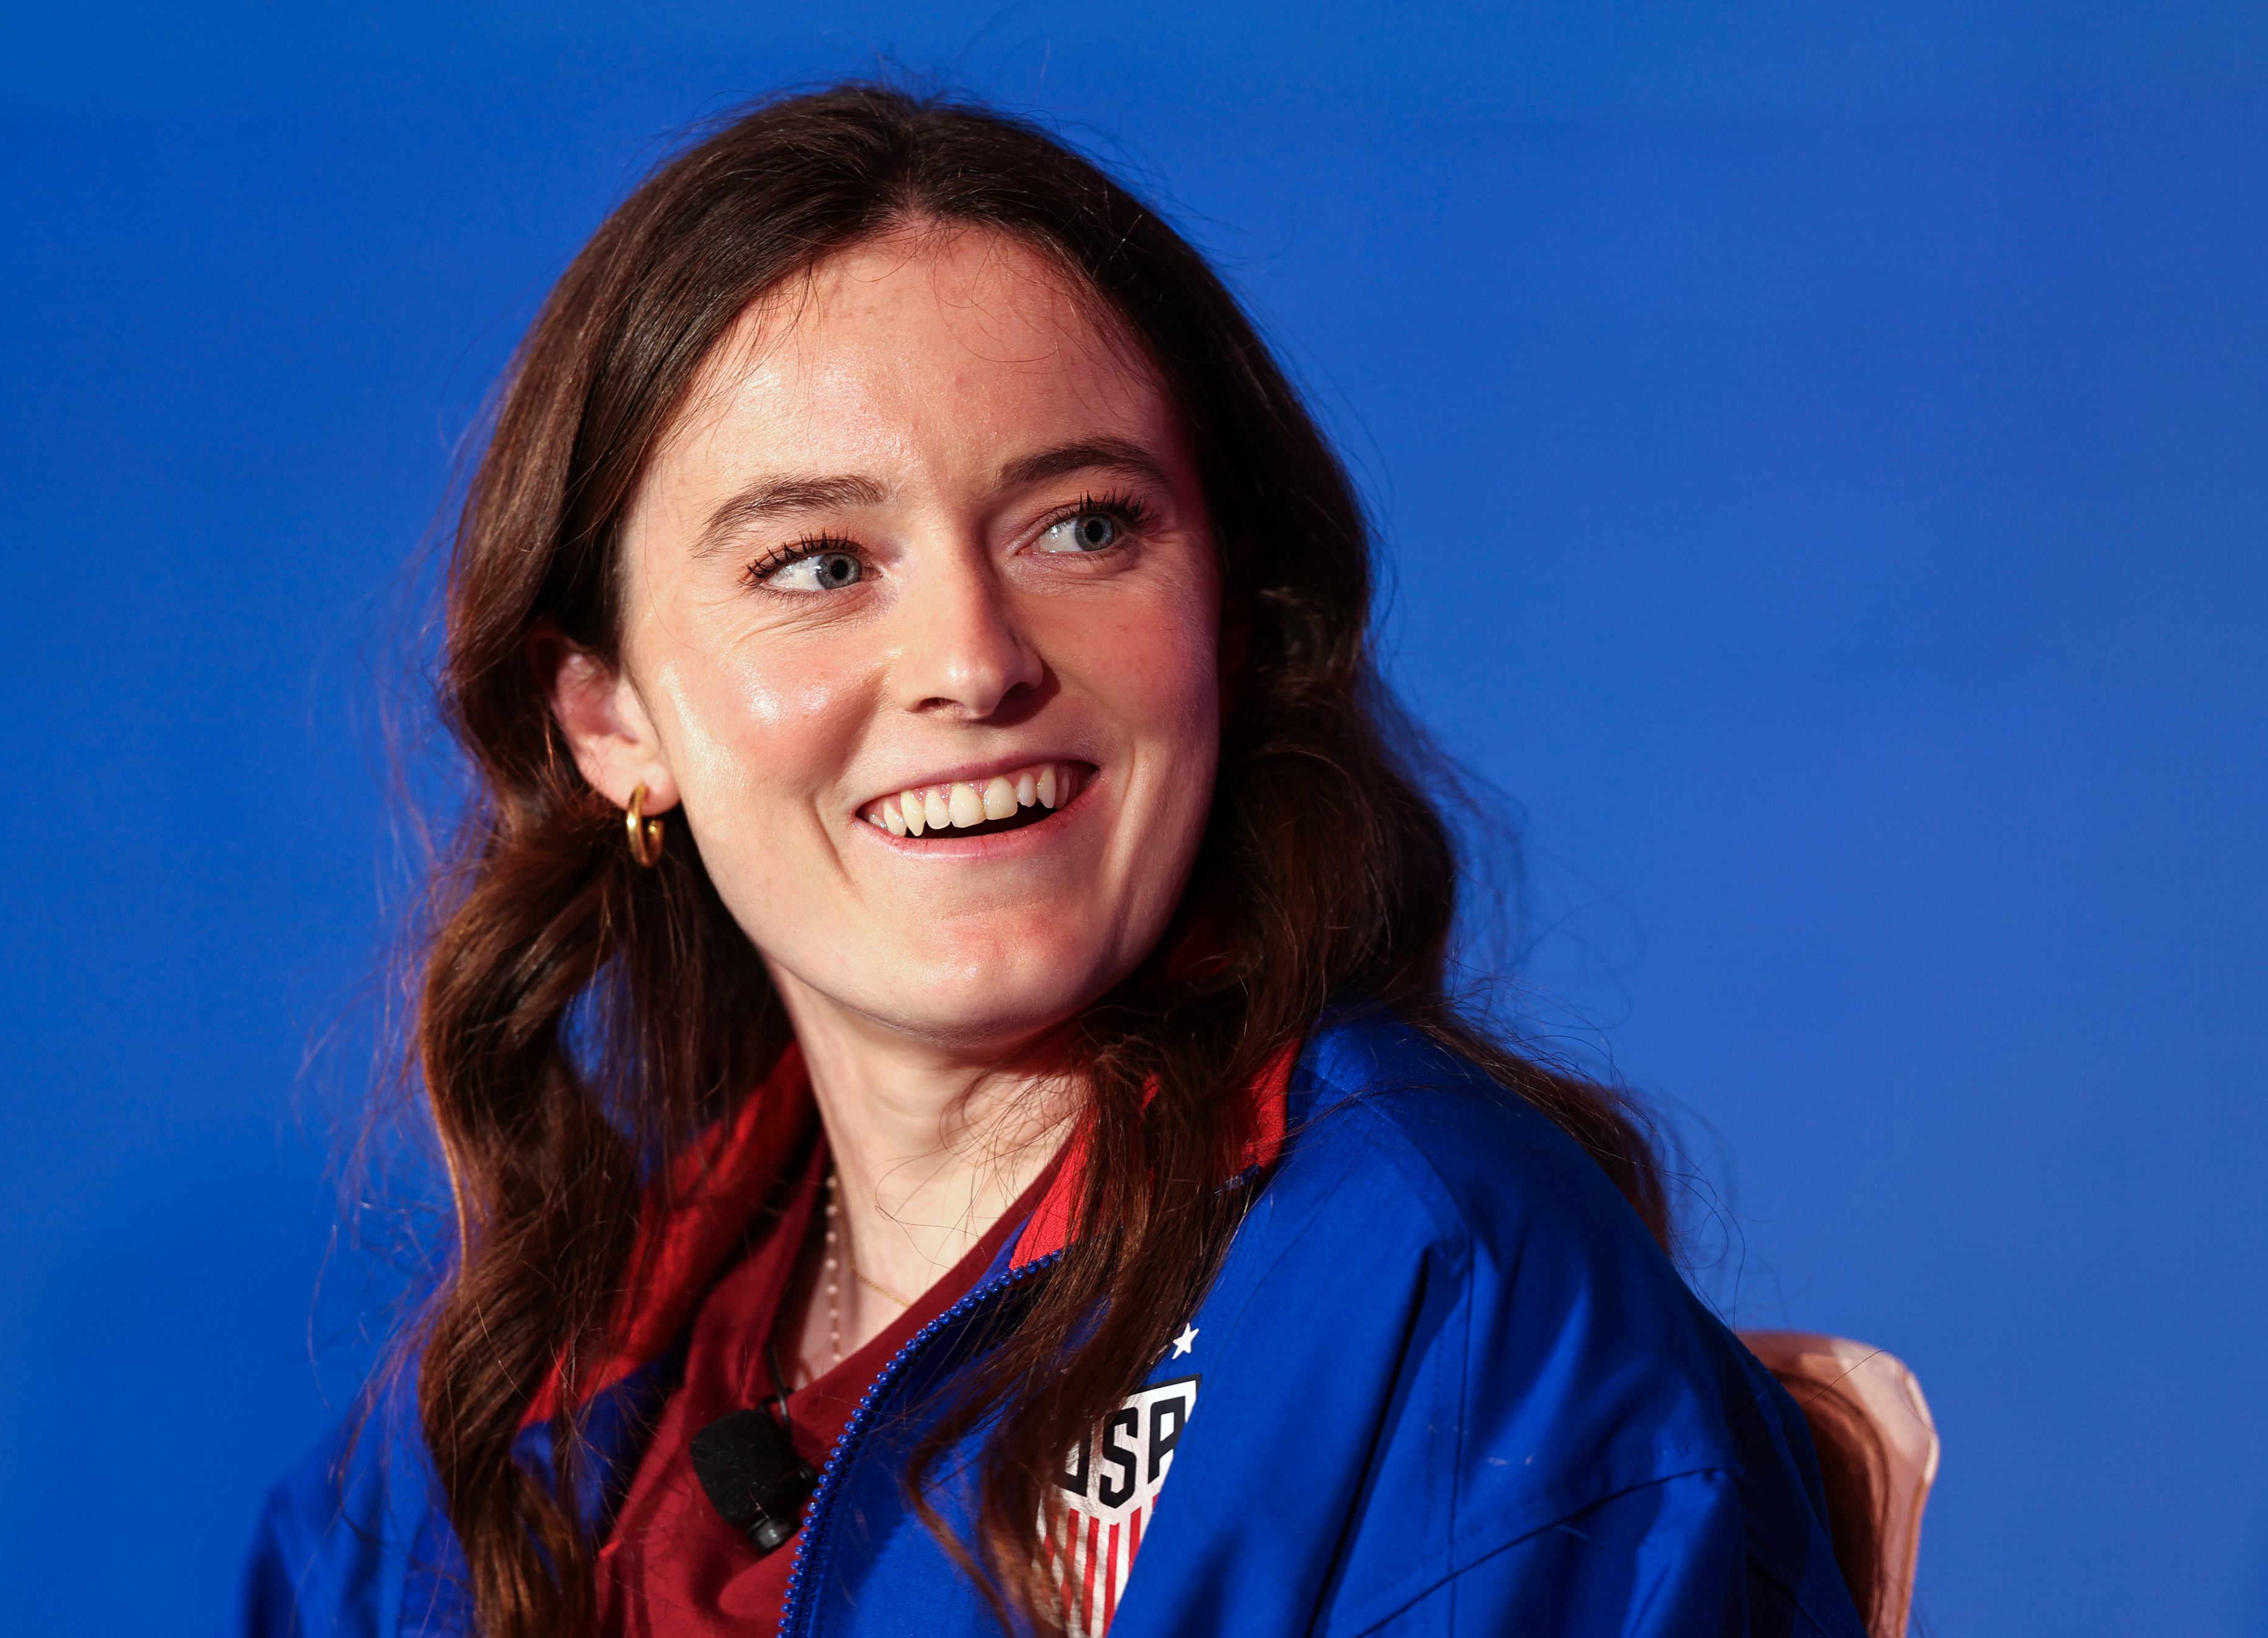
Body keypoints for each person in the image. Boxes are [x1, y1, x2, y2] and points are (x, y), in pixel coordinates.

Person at [237, 84, 1866, 1638]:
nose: (973, 657)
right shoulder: (523, 1414)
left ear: (1227, 613)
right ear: (608, 721)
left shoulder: (1435, 1292)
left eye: (1082, 527)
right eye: (817, 560)